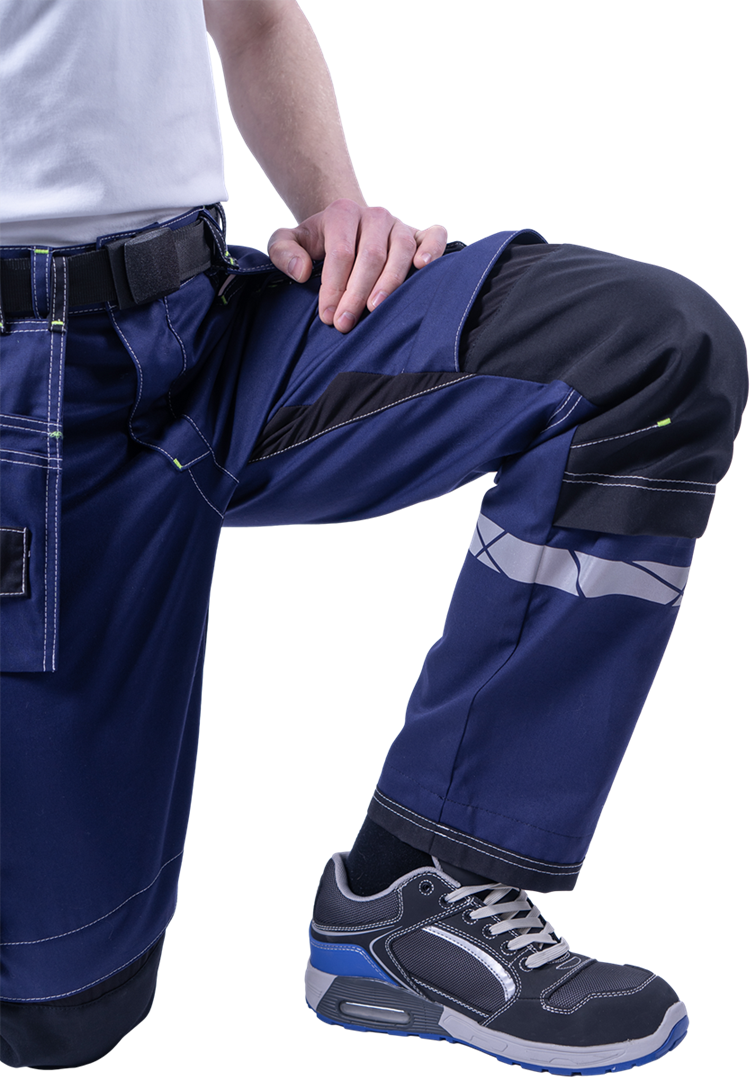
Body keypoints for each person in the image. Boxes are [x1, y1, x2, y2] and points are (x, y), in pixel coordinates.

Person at [0, 0, 747, 1072]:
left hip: (204, 325)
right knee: (58, 1008)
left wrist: (334, 208)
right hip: (24, 391)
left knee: (642, 354)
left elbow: (254, 20)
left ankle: (415, 892)